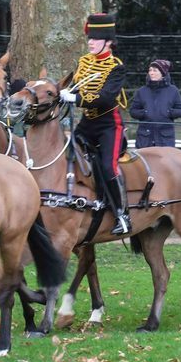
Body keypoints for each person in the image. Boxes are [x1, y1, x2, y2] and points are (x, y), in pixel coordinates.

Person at [59, 13, 132, 235]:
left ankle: (122, 214)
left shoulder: (115, 67)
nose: (90, 41)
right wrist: (65, 93)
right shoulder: (84, 62)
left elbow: (106, 98)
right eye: (89, 37)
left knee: (109, 166)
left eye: (96, 38)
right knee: (66, 155)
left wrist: (77, 99)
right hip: (87, 123)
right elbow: (76, 85)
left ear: (108, 42)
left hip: (109, 124)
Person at [129, 59, 181, 148]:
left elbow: (180, 110)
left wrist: (168, 112)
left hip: (165, 139)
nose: (151, 73)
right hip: (145, 138)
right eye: (150, 70)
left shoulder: (173, 91)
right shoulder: (142, 91)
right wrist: (145, 113)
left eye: (155, 70)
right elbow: (133, 111)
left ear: (163, 73)